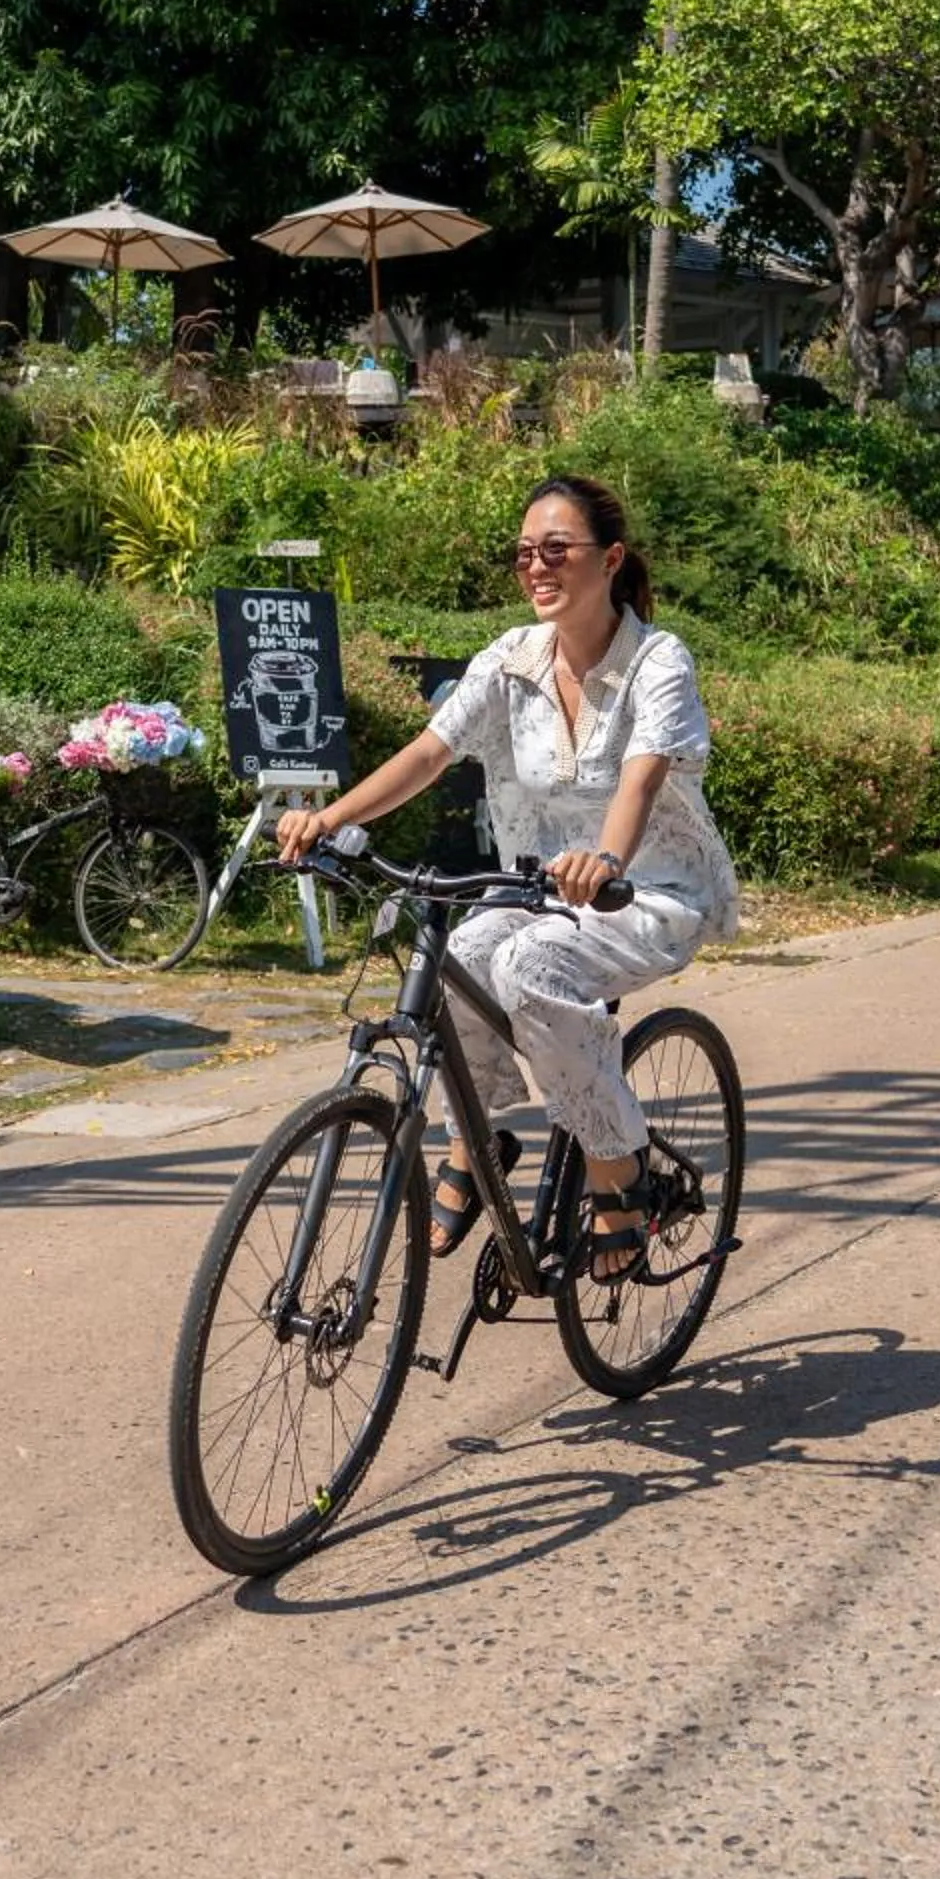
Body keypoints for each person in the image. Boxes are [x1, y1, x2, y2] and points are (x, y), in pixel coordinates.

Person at [277, 472, 740, 1277]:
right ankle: (476, 1133)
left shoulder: (657, 661)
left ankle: (618, 1167)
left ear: (611, 559)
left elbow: (642, 777)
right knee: (455, 956)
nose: (537, 566)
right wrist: (332, 819)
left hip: (648, 891)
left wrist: (605, 860)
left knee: (529, 966)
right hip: (535, 890)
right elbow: (430, 754)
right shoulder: (511, 658)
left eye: (557, 550)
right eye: (524, 553)